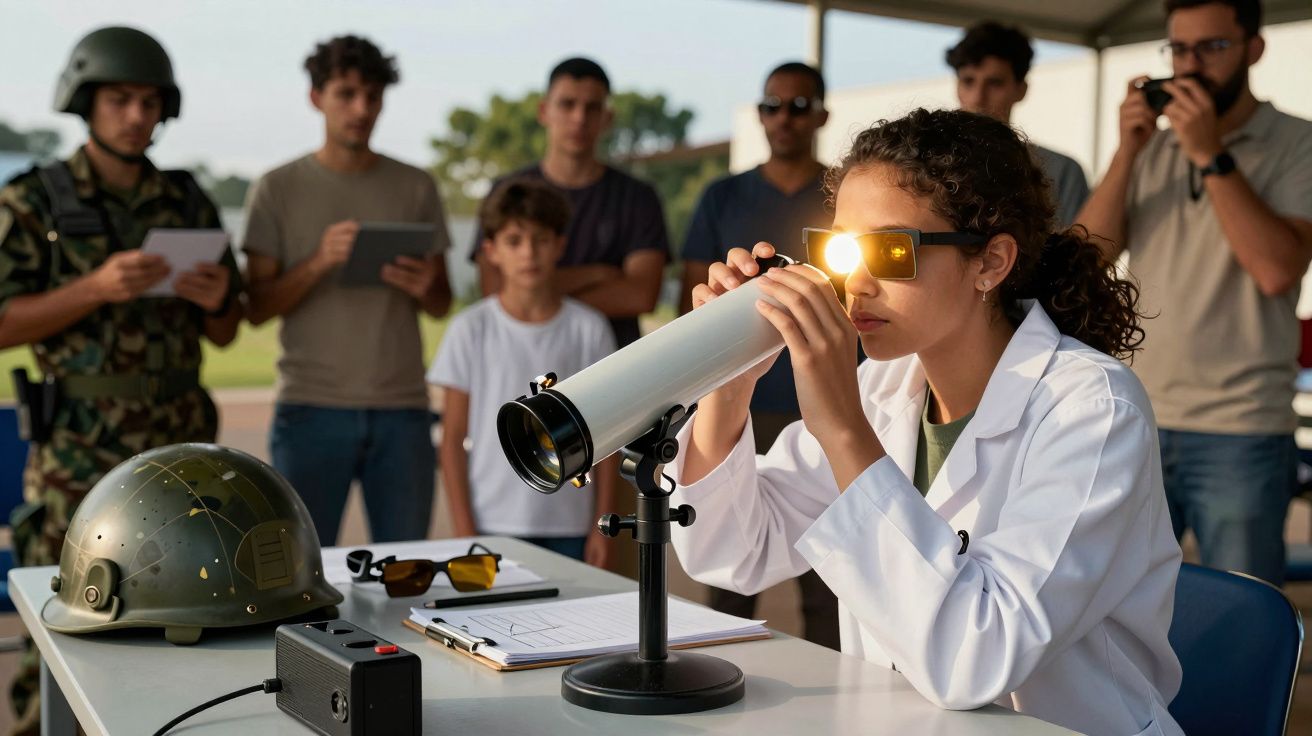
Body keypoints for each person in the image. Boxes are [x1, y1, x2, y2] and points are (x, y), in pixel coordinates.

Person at [671, 108, 1183, 736]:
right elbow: (732, 552)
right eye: (841, 250)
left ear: (990, 262)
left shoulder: (1093, 410)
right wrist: (728, 387)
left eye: (891, 251)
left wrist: (842, 428)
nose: (856, 284)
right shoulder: (884, 386)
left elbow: (976, 655)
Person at [0, 26, 243, 734]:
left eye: (150, 102)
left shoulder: (187, 200)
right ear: (85, 102)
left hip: (180, 456)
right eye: (119, 100)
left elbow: (227, 330)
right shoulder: (34, 200)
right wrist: (95, 288)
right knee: (64, 629)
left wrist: (216, 300)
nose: (137, 116)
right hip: (78, 457)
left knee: (188, 621)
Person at [1078, 0, 1312, 585]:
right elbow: (1086, 258)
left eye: (1212, 47)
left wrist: (1209, 152)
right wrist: (1127, 149)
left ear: (1254, 49)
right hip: (1137, 413)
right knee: (1121, 605)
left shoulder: (1298, 142)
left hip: (1243, 428)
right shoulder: (1153, 148)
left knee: (1245, 609)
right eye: (1179, 49)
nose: (1190, 65)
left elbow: (1276, 269)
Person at [242, 35, 453, 547]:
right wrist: (318, 262)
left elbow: (441, 302)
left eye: (373, 96)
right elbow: (256, 307)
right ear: (316, 97)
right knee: (301, 567)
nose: (361, 109)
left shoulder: (416, 185)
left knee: (404, 568)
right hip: (309, 408)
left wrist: (424, 285)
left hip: (403, 410)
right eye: (346, 94)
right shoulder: (276, 187)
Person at [677, 61, 839, 650]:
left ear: (821, 115)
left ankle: (839, 687)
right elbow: (693, 300)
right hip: (742, 399)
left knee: (831, 575)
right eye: (773, 105)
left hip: (824, 401)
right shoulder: (724, 195)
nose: (784, 118)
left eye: (799, 106)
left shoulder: (842, 196)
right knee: (728, 577)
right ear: (760, 114)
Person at [431, 178, 618, 566]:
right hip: (491, 521)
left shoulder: (590, 329)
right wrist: (465, 530)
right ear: (491, 251)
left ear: (560, 245)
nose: (528, 253)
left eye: (541, 239)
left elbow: (606, 438)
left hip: (569, 522)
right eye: (514, 241)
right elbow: (452, 439)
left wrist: (600, 525)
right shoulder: (470, 329)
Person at [470, 57, 668, 348]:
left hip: (613, 363)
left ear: (607, 118)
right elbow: (496, 291)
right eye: (567, 104)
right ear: (544, 111)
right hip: (522, 357)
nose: (579, 118)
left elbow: (640, 296)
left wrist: (536, 293)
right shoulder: (507, 192)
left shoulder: (637, 197)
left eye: (592, 107)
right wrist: (598, 274)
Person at [946, 21, 1089, 226]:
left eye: (994, 83)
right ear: (957, 87)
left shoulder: (1061, 171)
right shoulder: (931, 165)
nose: (978, 97)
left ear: (1021, 90)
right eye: (968, 81)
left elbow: (1078, 243)